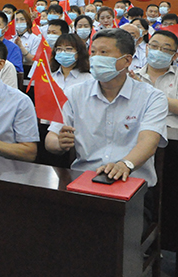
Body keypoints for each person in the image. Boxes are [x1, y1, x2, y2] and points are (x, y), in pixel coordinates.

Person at [45, 29, 168, 189]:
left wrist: (125, 164)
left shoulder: (152, 97)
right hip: (84, 179)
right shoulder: (74, 93)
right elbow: (51, 138)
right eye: (93, 52)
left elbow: (149, 142)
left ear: (127, 60)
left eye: (104, 52)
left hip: (132, 182)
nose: (96, 58)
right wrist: (59, 143)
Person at [133, 29, 178, 130]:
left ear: (175, 56)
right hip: (137, 130)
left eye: (165, 49)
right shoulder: (133, 75)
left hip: (172, 133)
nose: (158, 51)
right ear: (147, 48)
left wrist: (147, 92)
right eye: (154, 46)